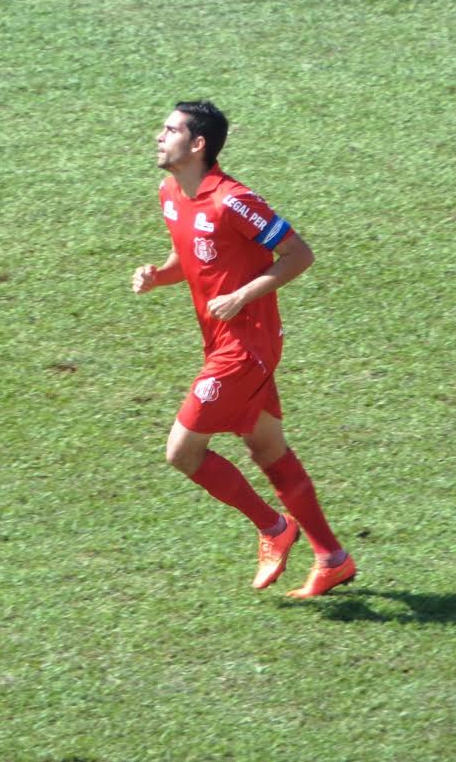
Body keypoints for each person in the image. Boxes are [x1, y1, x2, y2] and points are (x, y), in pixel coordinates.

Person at [131, 100, 355, 597]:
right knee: (267, 448)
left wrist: (243, 295)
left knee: (182, 452)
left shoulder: (234, 201)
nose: (158, 137)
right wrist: (158, 276)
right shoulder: (171, 194)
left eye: (169, 130)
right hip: (222, 342)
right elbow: (190, 257)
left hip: (244, 348)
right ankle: (332, 559)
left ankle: (274, 528)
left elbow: (299, 254)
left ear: (197, 144)